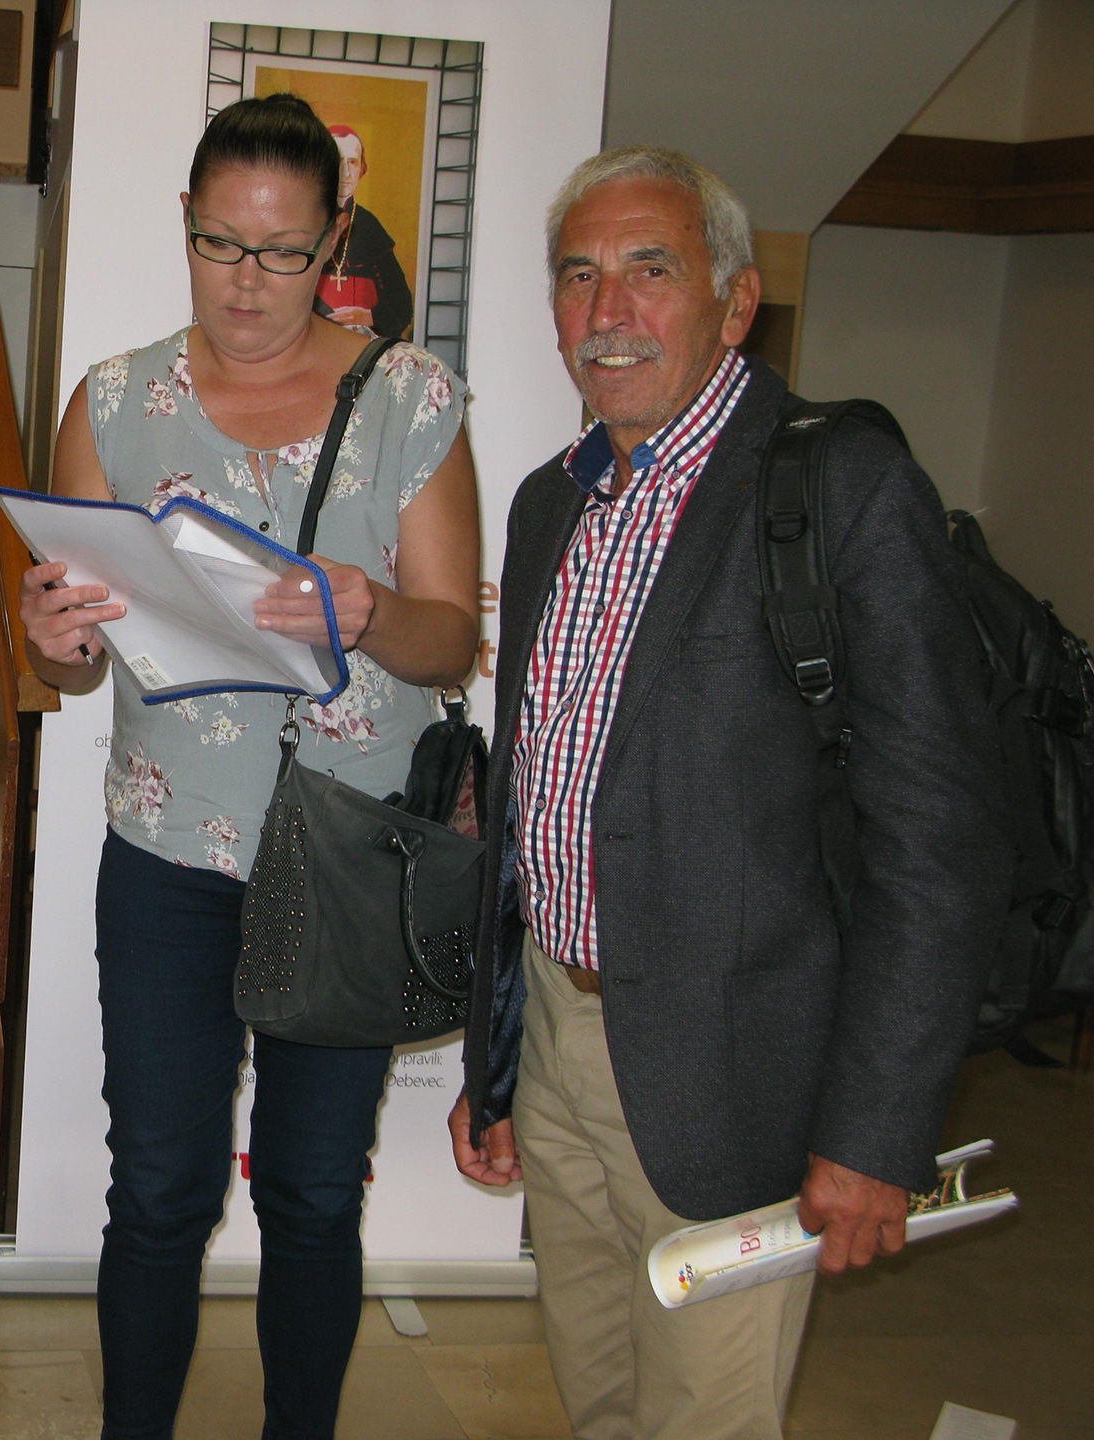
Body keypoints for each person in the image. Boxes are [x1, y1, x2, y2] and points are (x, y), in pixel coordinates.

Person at [446, 146, 1011, 1439]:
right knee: (598, 1399)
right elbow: (533, 810)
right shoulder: (548, 506)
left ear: (735, 301)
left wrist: (874, 1132)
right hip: (561, 1041)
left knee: (706, 1418)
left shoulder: (841, 489)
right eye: (579, 276)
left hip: (738, 1070)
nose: (608, 310)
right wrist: (501, 1061)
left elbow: (938, 837)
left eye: (651, 270)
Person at [19, 94, 481, 1440]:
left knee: (314, 1192)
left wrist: (366, 611)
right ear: (186, 222)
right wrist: (52, 639)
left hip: (345, 853)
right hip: (168, 856)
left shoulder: (408, 398)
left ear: (334, 237)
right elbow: (74, 662)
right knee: (159, 1191)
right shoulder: (117, 401)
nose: (245, 282)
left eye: (282, 252)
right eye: (219, 244)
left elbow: (450, 639)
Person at [313, 125, 414, 340]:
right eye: (337, 161)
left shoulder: (369, 226)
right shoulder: (304, 218)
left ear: (362, 170)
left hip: (362, 345)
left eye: (352, 162)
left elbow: (402, 304)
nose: (345, 172)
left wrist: (370, 317)